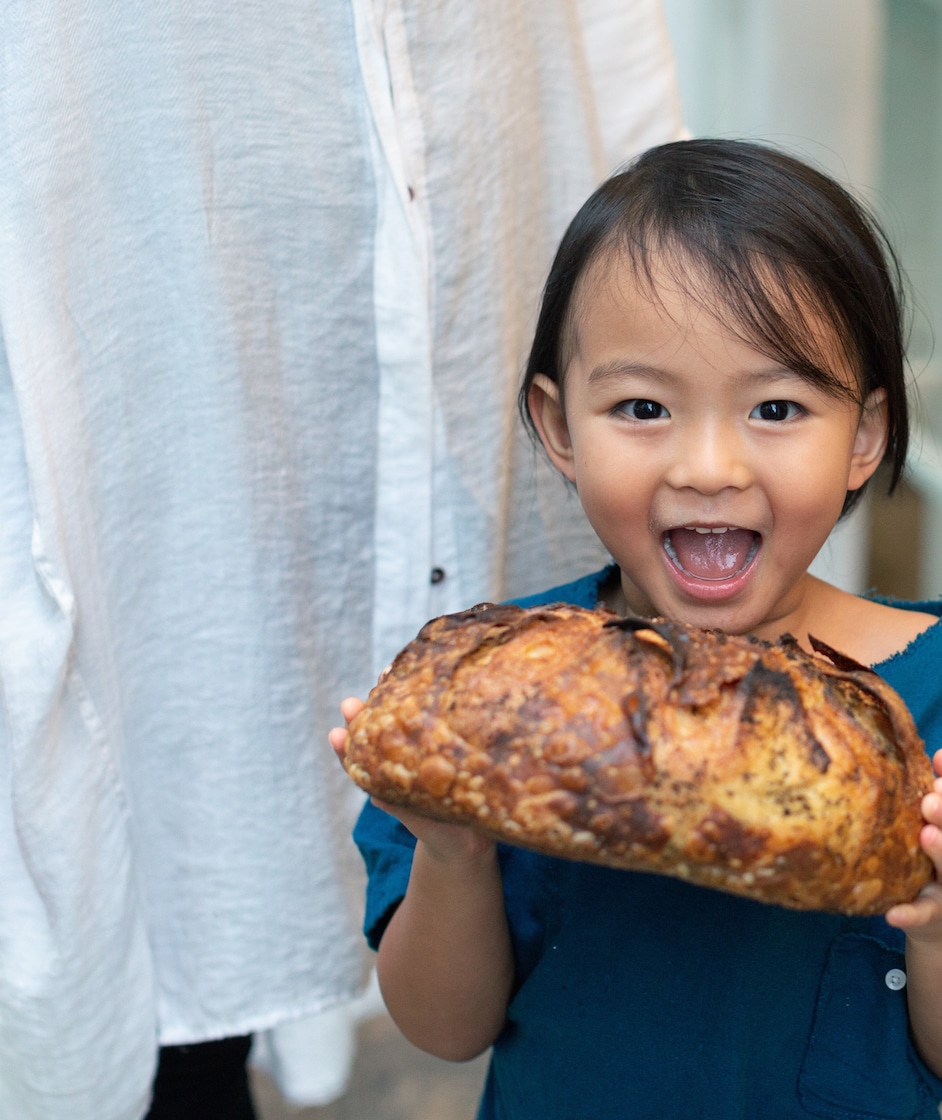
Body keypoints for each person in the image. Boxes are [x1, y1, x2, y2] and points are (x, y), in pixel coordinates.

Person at [0, 4, 681, 1118]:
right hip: (138, 358)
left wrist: (663, 369)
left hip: (459, 328)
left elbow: (604, 59)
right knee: (150, 873)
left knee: (542, 916)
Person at [334, 139, 942, 1119]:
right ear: (560, 426)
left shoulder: (941, 709)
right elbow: (444, 1029)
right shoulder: (506, 700)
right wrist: (452, 851)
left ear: (863, 435)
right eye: (644, 406)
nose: (707, 465)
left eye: (775, 406)